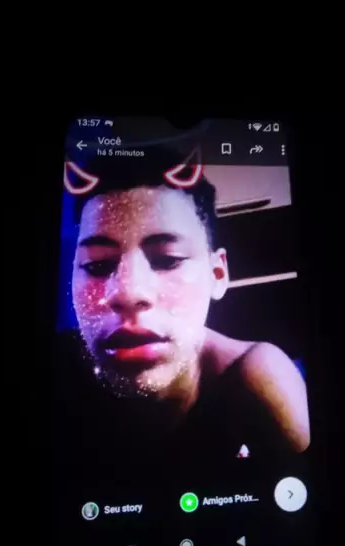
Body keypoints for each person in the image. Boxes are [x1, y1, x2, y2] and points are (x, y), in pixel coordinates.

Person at [57, 147, 309, 471]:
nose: (128, 293)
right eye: (97, 265)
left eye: (168, 260)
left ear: (217, 274)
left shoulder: (258, 376)